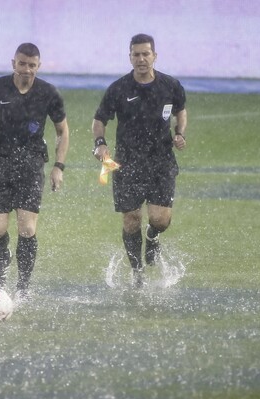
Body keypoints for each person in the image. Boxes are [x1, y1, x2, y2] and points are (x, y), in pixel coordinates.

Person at [0, 42, 69, 299]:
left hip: (30, 166)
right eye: (22, 64)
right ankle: (3, 255)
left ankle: (22, 287)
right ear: (13, 64)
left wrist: (58, 166)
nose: (27, 70)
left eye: (32, 65)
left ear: (38, 66)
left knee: (27, 229)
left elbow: (62, 130)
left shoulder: (48, 94)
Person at [92, 33, 187, 288]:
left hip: (161, 162)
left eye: (146, 54)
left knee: (160, 219)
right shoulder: (119, 88)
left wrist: (179, 134)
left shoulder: (170, 85)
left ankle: (153, 236)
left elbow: (180, 110)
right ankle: (137, 272)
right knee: (131, 218)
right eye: (137, 54)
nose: (142, 58)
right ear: (130, 57)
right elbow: (99, 119)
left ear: (155, 56)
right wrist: (100, 144)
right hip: (127, 162)